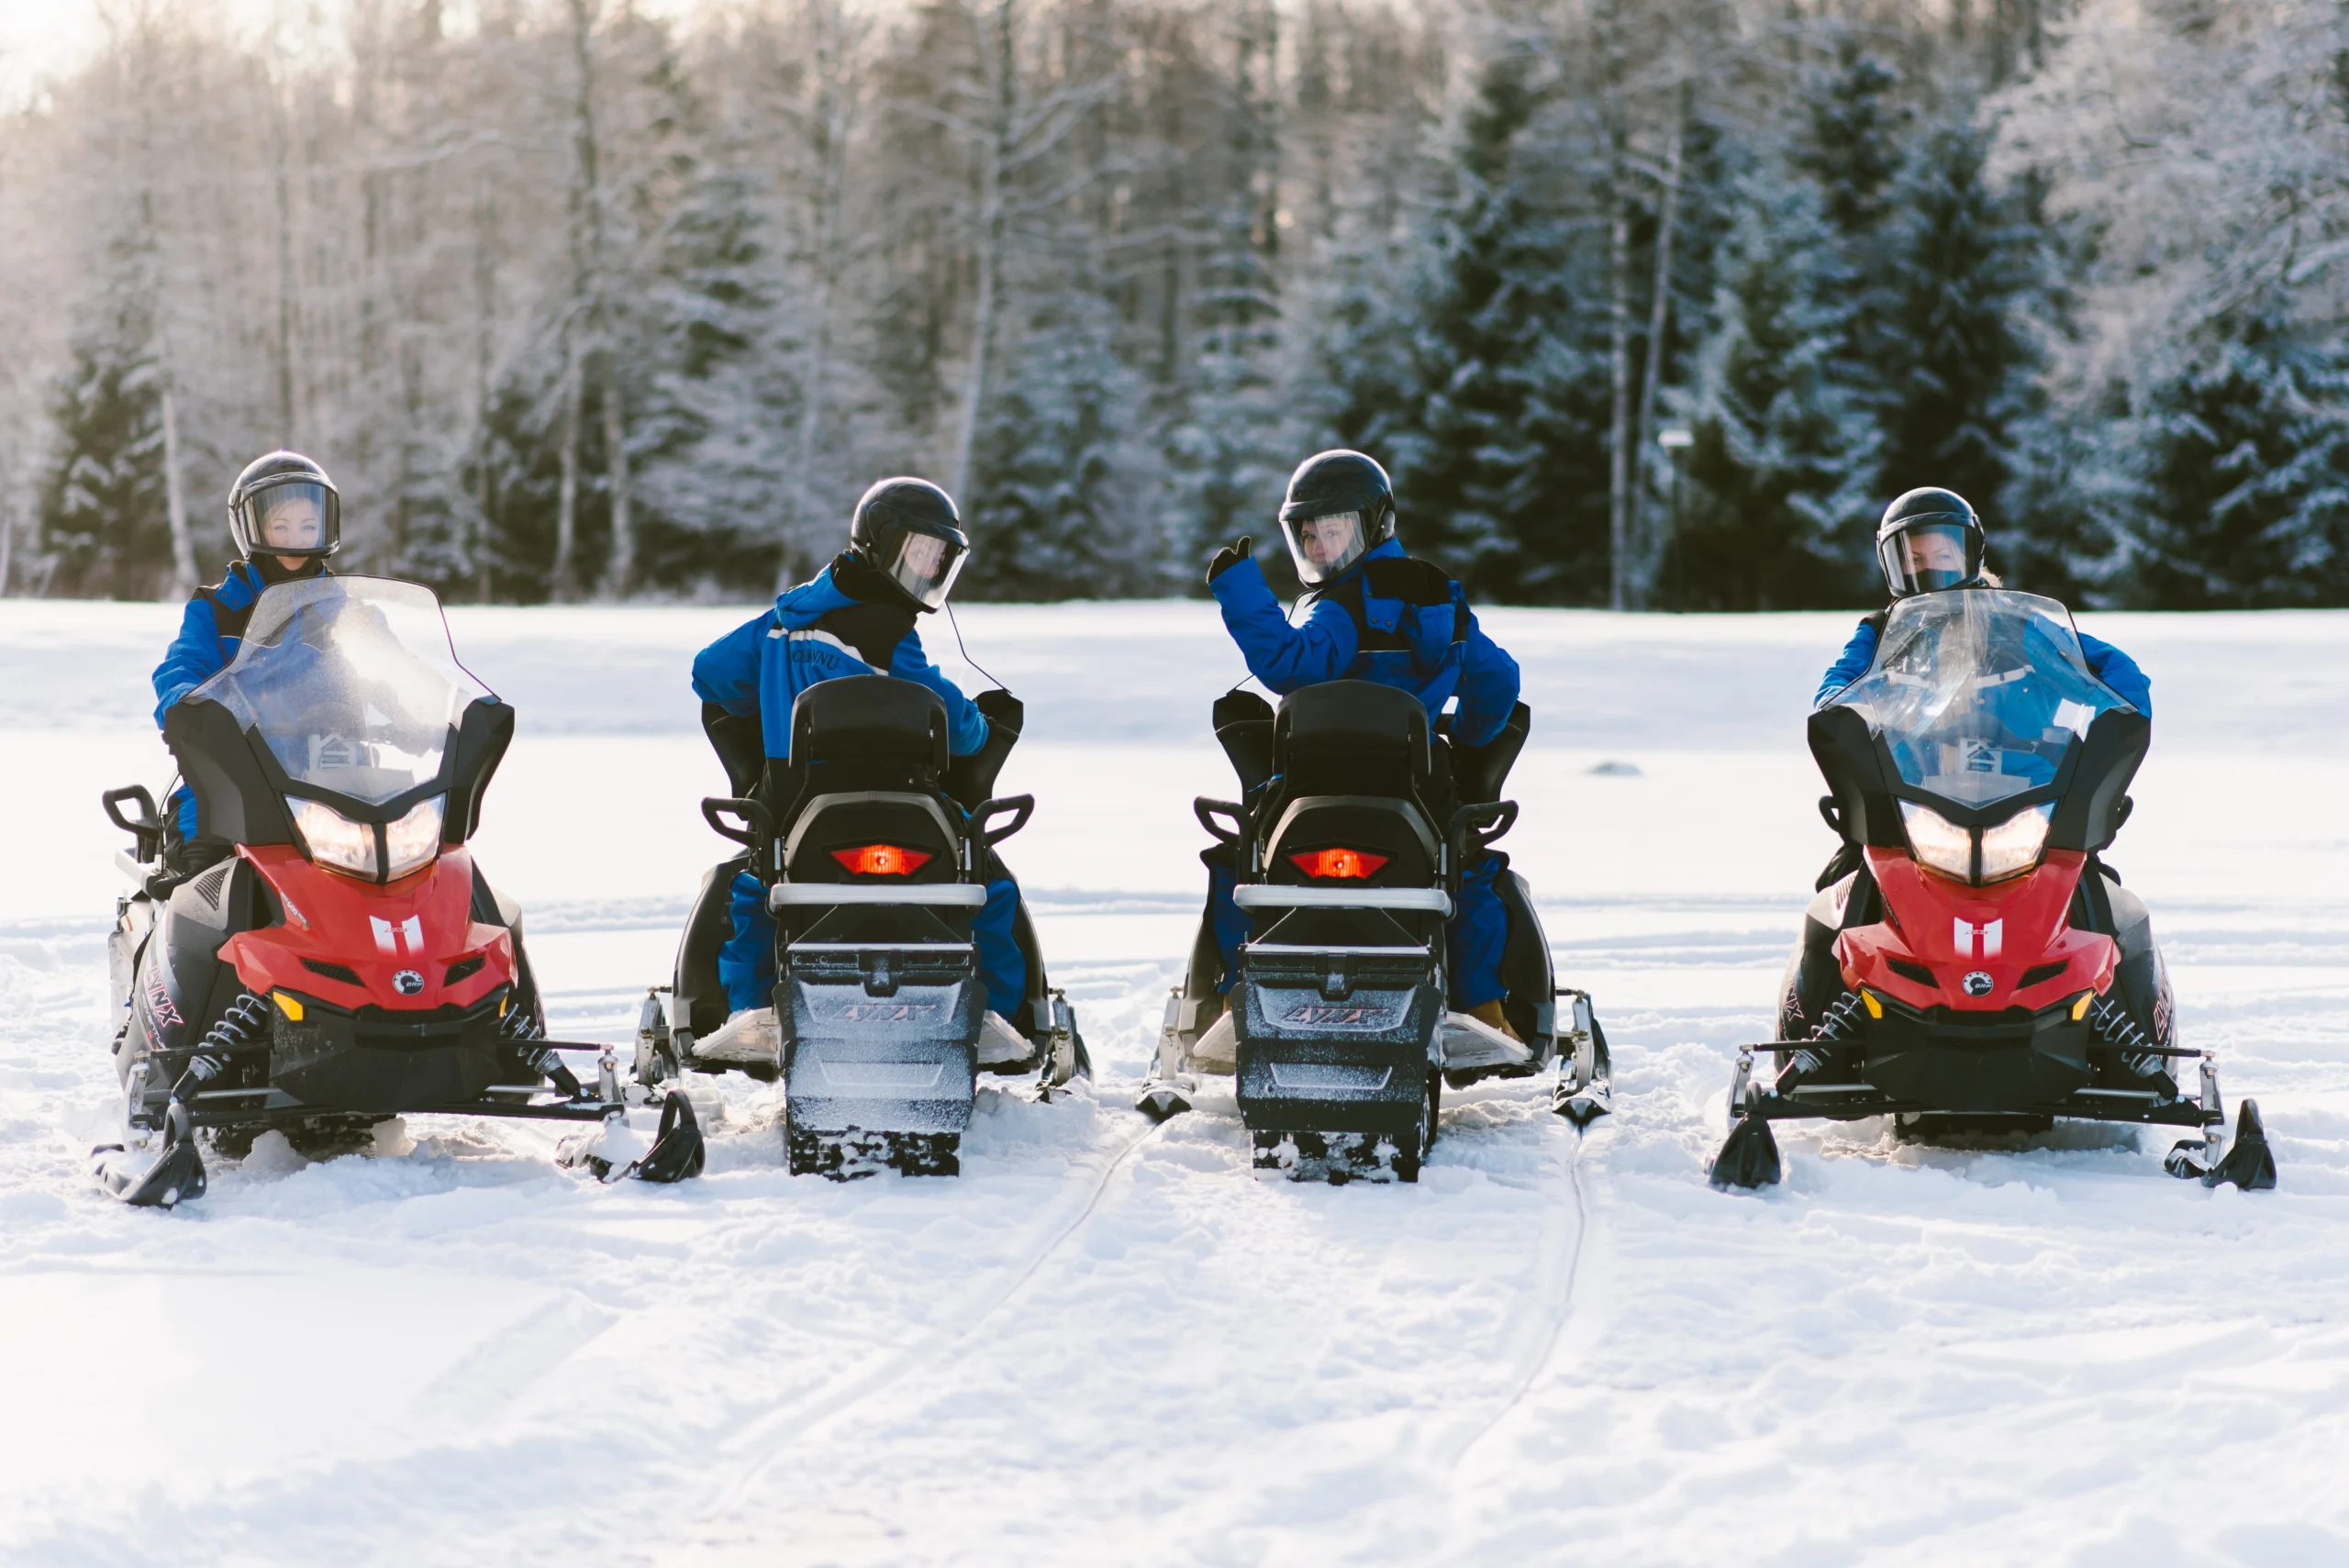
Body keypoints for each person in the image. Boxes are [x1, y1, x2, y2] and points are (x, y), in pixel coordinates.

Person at [1203, 449, 1524, 1037]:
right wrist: (1472, 737)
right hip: (1416, 779)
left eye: (1334, 530)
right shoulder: (1439, 595)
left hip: (1316, 782)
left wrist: (1239, 587)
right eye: (1309, 537)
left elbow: (1288, 664)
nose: (1322, 549)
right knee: (1466, 869)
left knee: (1244, 859)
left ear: (1372, 524)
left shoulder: (1342, 605)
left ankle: (1231, 1000)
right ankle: (1483, 1008)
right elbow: (1500, 679)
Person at [691, 477, 1028, 1027]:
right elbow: (962, 732)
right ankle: (1004, 1017)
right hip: (898, 800)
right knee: (987, 886)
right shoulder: (892, 633)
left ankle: (748, 1015)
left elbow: (711, 674)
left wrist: (769, 699)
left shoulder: (785, 619)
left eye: (937, 557)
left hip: (792, 797)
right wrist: (982, 723)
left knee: (756, 887)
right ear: (881, 545)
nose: (926, 569)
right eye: (917, 552)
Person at [150, 451, 340, 880]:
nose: (297, 538)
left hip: (331, 770)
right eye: (282, 525)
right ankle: (194, 934)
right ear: (252, 528)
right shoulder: (218, 607)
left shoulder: (344, 609)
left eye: (309, 525)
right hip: (236, 764)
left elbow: (380, 662)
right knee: (203, 853)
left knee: (409, 854)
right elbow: (182, 665)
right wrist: (186, 704)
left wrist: (413, 701)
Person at [1817, 487, 2151, 712]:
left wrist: (2114, 728)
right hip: (1909, 794)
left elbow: (2113, 669)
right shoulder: (1881, 636)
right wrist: (1844, 717)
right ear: (1892, 564)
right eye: (1916, 561)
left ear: (1969, 554)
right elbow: (1839, 688)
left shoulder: (2014, 625)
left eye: (1944, 555)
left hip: (2027, 793)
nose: (1930, 569)